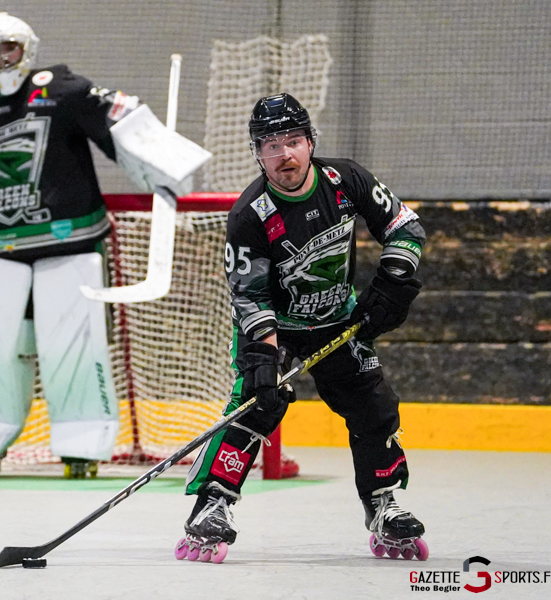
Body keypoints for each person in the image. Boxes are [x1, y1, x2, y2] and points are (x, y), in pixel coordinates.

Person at [0, 13, 206, 479]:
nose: (2, 57)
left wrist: (160, 157)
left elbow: (116, 119)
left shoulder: (60, 87)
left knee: (71, 345)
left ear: (27, 49)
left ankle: (83, 441)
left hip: (70, 240)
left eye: (10, 47)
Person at [174, 93, 427, 562]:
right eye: (271, 146)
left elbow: (404, 226)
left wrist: (393, 281)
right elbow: (249, 295)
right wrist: (265, 360)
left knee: (373, 407)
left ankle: (383, 505)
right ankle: (211, 507)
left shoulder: (346, 179)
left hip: (338, 321)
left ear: (310, 142)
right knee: (254, 407)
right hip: (278, 327)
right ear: (257, 153)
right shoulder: (250, 215)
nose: (284, 154)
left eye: (293, 141)